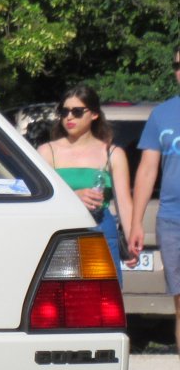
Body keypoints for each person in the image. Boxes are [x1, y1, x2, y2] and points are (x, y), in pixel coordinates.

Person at [39, 83, 133, 275]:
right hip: (61, 231)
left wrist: (132, 239)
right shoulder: (47, 152)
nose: (69, 117)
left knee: (105, 297)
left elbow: (124, 203)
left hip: (102, 229)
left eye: (77, 111)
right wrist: (73, 197)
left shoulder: (112, 153)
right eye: (64, 112)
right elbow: (39, 199)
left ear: (94, 114)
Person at [129, 42, 180, 351]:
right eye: (177, 65)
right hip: (173, 220)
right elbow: (147, 171)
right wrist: (136, 222)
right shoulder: (161, 115)